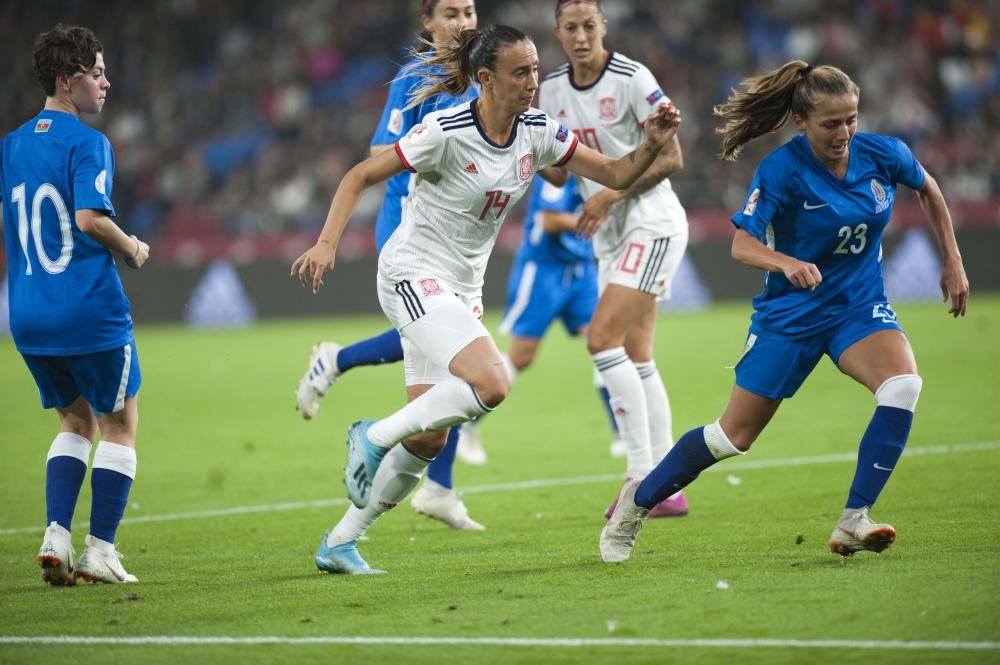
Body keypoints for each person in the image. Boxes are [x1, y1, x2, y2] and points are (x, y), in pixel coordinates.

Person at [291, 23, 681, 574]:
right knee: (492, 383)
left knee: (428, 439)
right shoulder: (444, 131)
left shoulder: (539, 131)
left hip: (462, 290)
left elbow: (615, 172)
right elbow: (360, 175)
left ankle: (340, 541)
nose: (532, 81)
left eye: (535, 70)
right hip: (411, 273)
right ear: (485, 79)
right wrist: (327, 243)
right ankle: (372, 434)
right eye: (520, 72)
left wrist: (652, 144)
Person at [600, 60, 970, 563]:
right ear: (801, 122)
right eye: (831, 123)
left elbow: (927, 187)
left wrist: (952, 259)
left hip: (857, 308)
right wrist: (787, 262)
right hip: (790, 317)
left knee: (903, 385)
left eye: (852, 119)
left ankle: (854, 519)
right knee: (732, 437)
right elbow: (741, 244)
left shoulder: (883, 154)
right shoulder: (781, 170)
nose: (844, 133)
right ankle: (637, 502)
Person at [296, 0, 486, 532]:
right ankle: (431, 484)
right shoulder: (416, 77)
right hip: (409, 221)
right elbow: (381, 150)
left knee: (449, 362)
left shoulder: (482, 73)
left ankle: (437, 486)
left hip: (456, 230)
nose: (463, 22)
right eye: (450, 13)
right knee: (453, 357)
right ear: (427, 22)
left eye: (469, 10)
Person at [1, 24, 150, 585]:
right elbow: (89, 219)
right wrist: (132, 246)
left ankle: (55, 537)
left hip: (29, 317)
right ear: (67, 81)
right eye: (96, 73)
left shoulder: (11, 145)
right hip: (89, 310)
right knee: (118, 423)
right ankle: (101, 551)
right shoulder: (89, 143)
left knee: (73, 418)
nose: (106, 83)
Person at [539, 0, 690, 518]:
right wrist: (520, 141)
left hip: (651, 221)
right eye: (570, 28)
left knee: (602, 340)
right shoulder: (552, 90)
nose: (581, 36)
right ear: (557, 32)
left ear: (604, 26)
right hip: (609, 236)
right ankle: (668, 486)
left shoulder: (632, 78)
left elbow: (672, 155)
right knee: (638, 355)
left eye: (589, 26)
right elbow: (559, 174)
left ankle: (641, 478)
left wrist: (610, 195)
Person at [497, 174, 620, 446]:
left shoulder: (602, 166)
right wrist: (597, 222)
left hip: (581, 268)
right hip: (544, 270)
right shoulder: (560, 170)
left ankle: (621, 432)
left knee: (606, 343)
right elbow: (549, 220)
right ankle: (464, 425)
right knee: (522, 356)